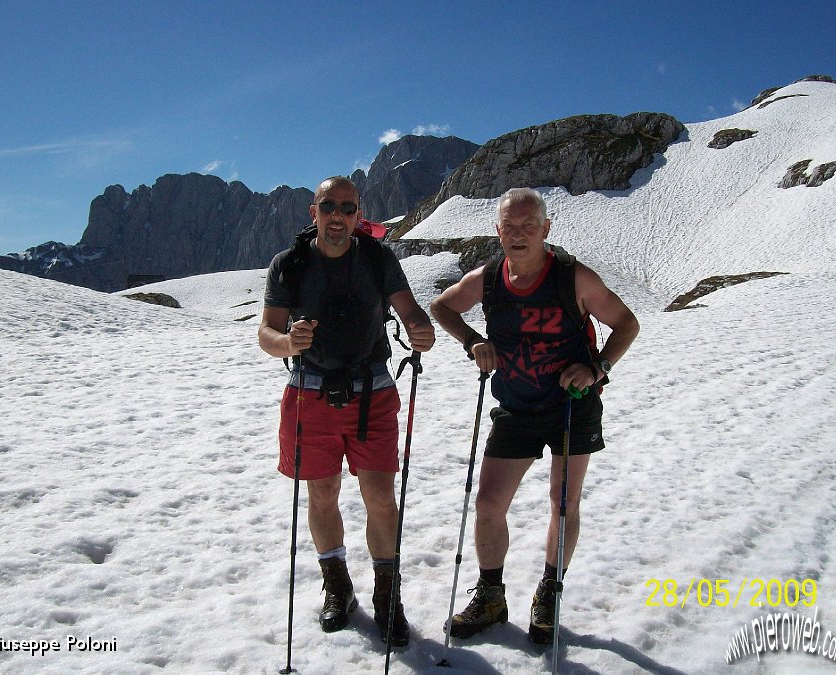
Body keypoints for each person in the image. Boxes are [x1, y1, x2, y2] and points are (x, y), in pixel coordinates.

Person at [430, 187, 639, 643]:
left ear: (546, 228)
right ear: (497, 230)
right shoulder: (487, 278)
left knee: (562, 504)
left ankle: (550, 591)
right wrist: (472, 341)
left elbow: (626, 323)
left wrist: (597, 366)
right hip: (517, 407)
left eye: (529, 226)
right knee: (488, 506)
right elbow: (441, 307)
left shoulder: (572, 278)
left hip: (572, 406)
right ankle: (491, 594)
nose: (519, 234)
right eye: (510, 226)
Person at [258, 176, 435, 646]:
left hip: (371, 391)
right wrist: (287, 343)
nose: (339, 216)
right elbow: (266, 335)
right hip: (308, 392)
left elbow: (410, 311)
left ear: (359, 216)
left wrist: (422, 330)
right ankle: (338, 586)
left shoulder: (377, 258)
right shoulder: (289, 265)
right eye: (329, 206)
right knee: (322, 493)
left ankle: (386, 594)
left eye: (348, 208)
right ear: (313, 212)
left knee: (379, 495)